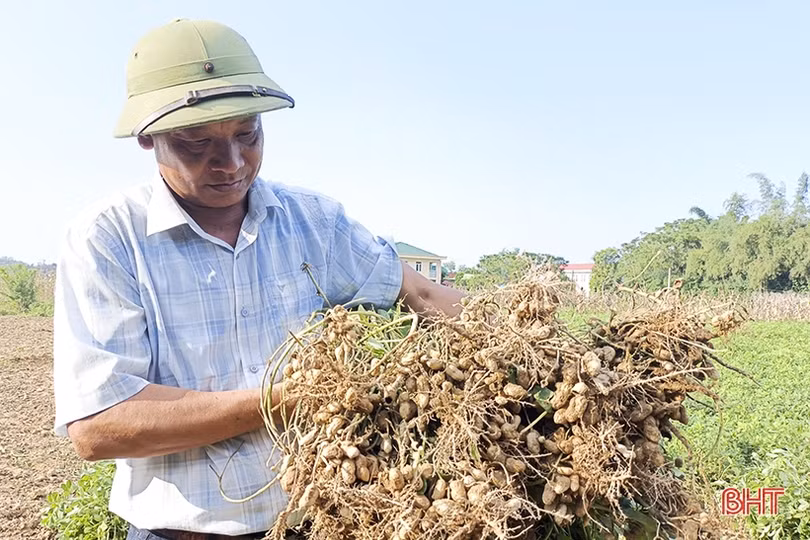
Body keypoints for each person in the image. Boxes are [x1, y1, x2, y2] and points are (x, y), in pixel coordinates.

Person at [52, 18, 464, 540]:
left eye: (247, 134)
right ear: (147, 138)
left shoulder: (314, 222)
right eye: (197, 142)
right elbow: (100, 426)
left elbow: (421, 292)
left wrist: (528, 338)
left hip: (317, 524)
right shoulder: (109, 238)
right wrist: (286, 399)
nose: (231, 163)